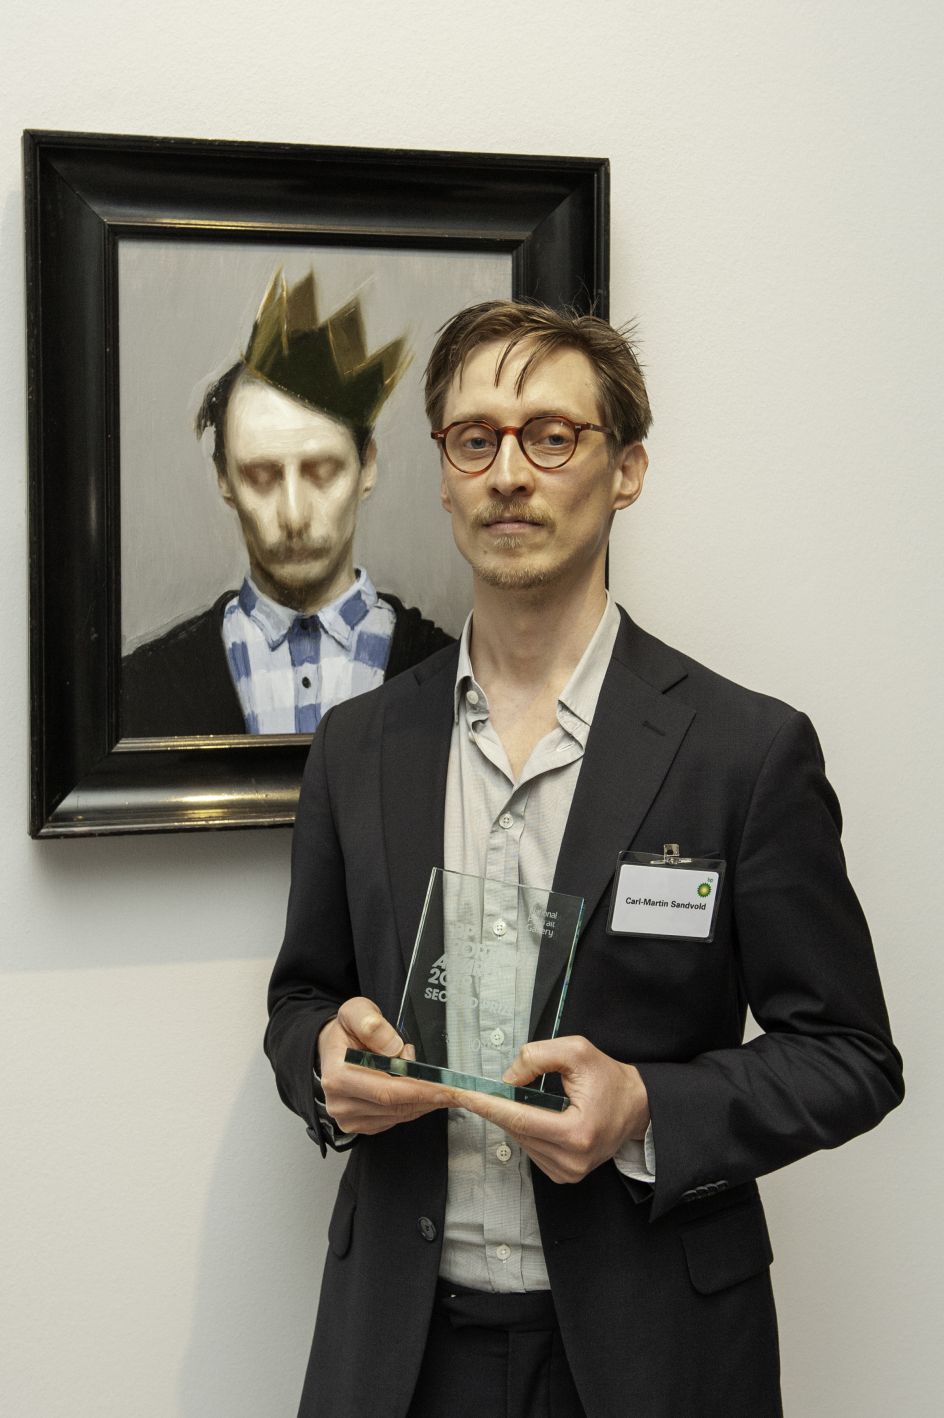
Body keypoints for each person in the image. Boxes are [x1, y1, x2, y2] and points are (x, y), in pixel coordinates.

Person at [265, 300, 904, 1418]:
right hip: (402, 1348)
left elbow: (849, 1053)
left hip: (653, 1346)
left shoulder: (743, 751)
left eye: (550, 436)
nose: (508, 471)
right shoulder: (358, 745)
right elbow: (301, 995)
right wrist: (321, 1056)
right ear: (444, 473)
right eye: (475, 439)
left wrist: (646, 1106)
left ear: (626, 470)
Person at [121, 270, 451, 736]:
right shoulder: (138, 690)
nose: (293, 515)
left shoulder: (455, 678)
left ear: (368, 466)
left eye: (322, 472)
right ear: (224, 480)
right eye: (261, 476)